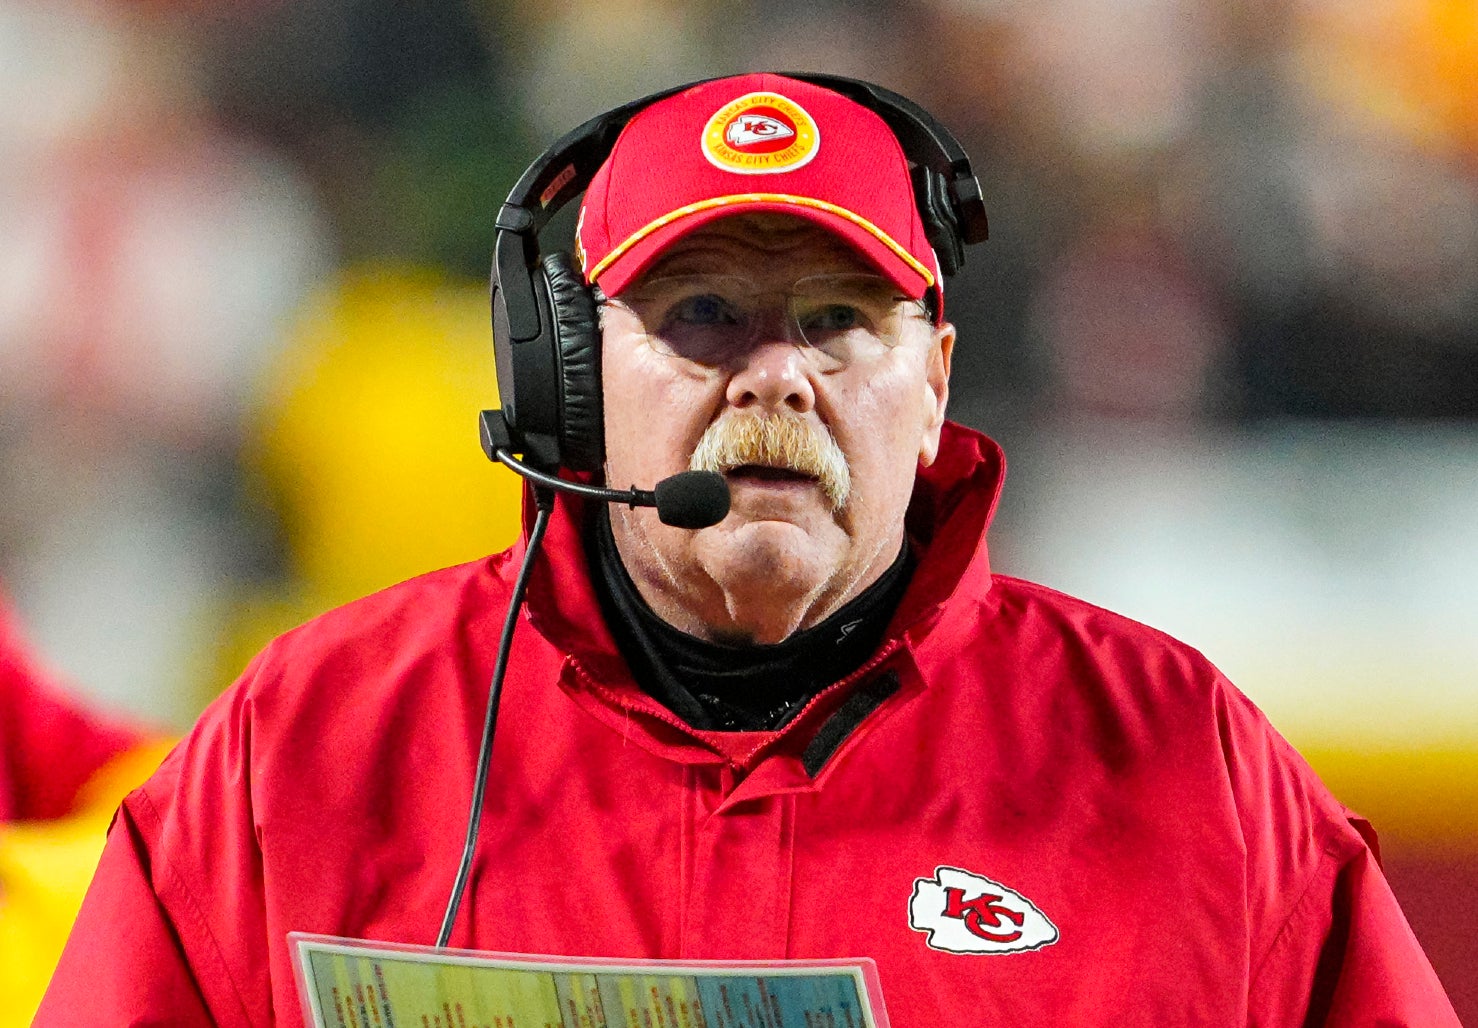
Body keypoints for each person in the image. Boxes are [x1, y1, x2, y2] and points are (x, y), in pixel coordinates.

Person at [40, 73, 1457, 1025]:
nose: (776, 376)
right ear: (573, 385)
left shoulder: (1184, 767)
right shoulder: (302, 750)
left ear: (936, 383)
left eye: (840, 320)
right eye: (703, 313)